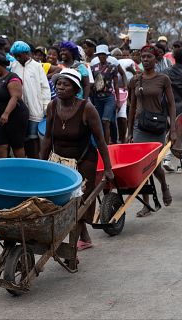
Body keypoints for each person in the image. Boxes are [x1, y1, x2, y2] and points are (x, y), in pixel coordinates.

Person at [40, 68, 113, 252]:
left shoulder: (87, 109)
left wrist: (108, 168)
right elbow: (48, 137)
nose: (60, 87)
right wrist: (41, 164)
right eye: (58, 83)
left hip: (83, 161)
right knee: (60, 201)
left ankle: (76, 240)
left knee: (79, 201)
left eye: (66, 84)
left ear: (75, 88)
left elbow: (101, 140)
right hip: (60, 160)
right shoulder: (52, 106)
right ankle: (84, 237)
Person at [128, 45, 177, 217]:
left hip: (157, 127)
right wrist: (129, 132)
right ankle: (146, 204)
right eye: (143, 57)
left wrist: (173, 128)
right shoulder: (135, 80)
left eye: (149, 56)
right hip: (140, 127)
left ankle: (163, 185)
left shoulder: (163, 79)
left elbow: (171, 104)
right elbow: (132, 106)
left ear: (156, 59)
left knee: (154, 165)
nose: (145, 59)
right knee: (142, 166)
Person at [10, 40, 51, 158]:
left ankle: (35, 161)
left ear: (27, 53)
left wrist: (45, 106)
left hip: (35, 109)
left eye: (19, 55)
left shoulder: (37, 66)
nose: (17, 58)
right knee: (22, 139)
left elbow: (45, 88)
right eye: (16, 56)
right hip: (18, 110)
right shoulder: (14, 66)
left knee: (33, 139)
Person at [0, 53, 29, 158]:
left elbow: (15, 97)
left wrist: (6, 114)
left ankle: (21, 170)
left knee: (17, 145)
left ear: (2, 65)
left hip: (15, 116)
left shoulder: (12, 77)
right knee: (1, 144)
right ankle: (2, 171)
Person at [91, 44, 120, 144]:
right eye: (99, 54)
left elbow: (116, 85)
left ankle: (107, 145)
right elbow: (91, 83)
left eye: (103, 54)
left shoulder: (113, 67)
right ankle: (100, 144)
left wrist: (118, 100)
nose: (101, 56)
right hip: (97, 98)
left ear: (106, 55)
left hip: (109, 98)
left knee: (106, 121)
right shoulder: (93, 68)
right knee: (99, 122)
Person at [111, 48, 136, 143]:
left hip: (123, 94)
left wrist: (125, 86)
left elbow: (137, 75)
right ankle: (113, 139)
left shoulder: (127, 64)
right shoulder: (108, 65)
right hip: (110, 94)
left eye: (119, 55)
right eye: (115, 55)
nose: (118, 57)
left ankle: (123, 139)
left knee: (122, 117)